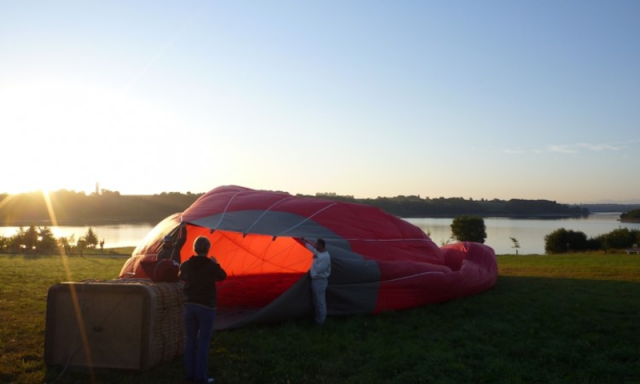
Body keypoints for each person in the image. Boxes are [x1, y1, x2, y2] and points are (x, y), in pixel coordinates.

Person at [179, 236, 227, 384]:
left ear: (194, 248)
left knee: (190, 341)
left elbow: (181, 276)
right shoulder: (211, 265)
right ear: (208, 249)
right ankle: (201, 378)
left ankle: (190, 375)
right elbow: (222, 276)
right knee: (203, 342)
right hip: (206, 307)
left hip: (190, 306)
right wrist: (216, 264)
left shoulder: (186, 264)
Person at [303, 237, 331, 325]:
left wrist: (315, 258)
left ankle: (321, 321)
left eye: (316, 244)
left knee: (320, 302)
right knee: (316, 301)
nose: (314, 245)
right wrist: (304, 242)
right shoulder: (319, 253)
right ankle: (317, 318)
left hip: (320, 281)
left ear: (321, 245)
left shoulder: (325, 257)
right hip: (315, 281)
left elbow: (319, 269)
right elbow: (311, 249)